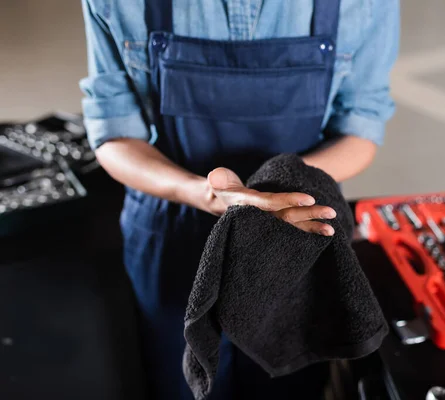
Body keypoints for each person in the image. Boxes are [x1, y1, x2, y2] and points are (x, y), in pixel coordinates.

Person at [80, 0, 399, 399]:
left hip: (295, 235)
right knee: (182, 383)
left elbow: (360, 127)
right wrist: (200, 191)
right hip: (171, 228)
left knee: (285, 385)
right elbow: (113, 135)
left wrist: (281, 187)